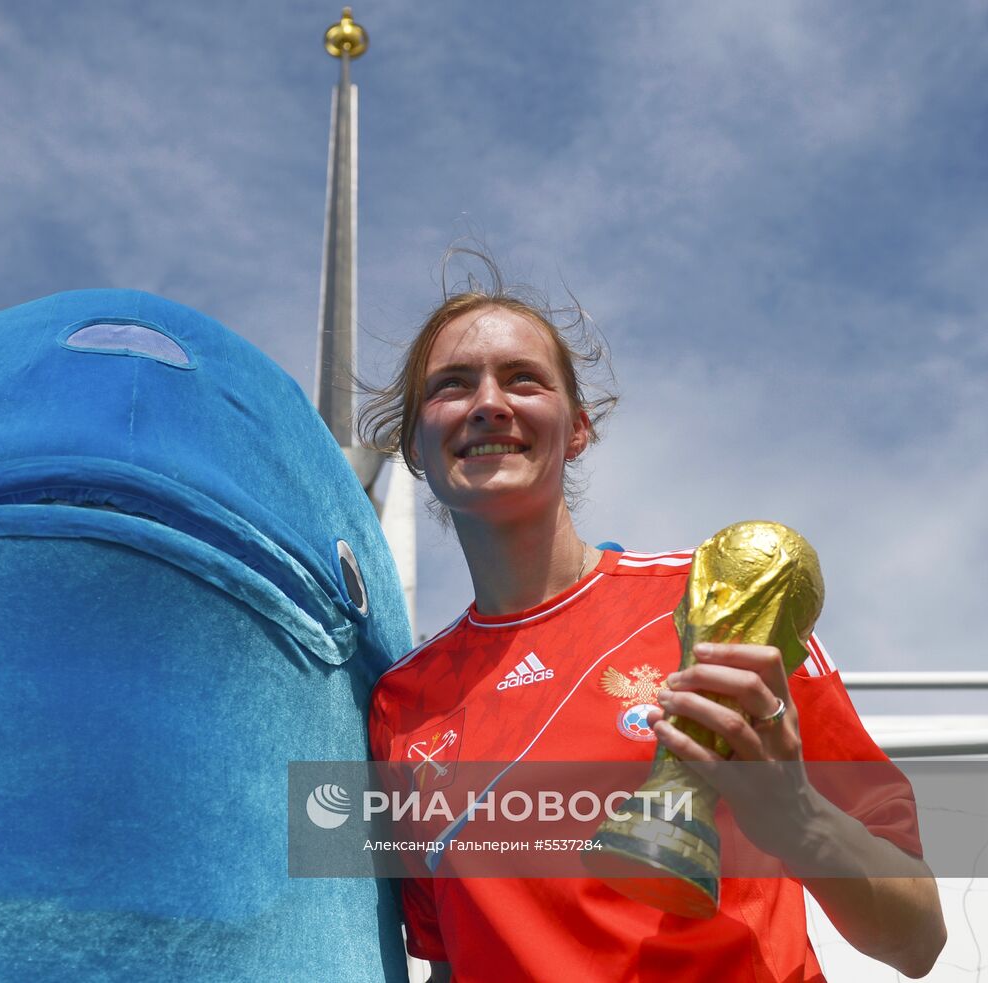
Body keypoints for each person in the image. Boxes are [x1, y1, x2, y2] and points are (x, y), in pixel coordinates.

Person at [359, 261, 946, 982]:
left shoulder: (723, 608)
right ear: (414, 445)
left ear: (577, 429)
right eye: (452, 384)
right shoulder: (399, 705)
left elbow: (918, 939)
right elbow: (451, 961)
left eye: (522, 379)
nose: (489, 404)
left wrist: (797, 818)